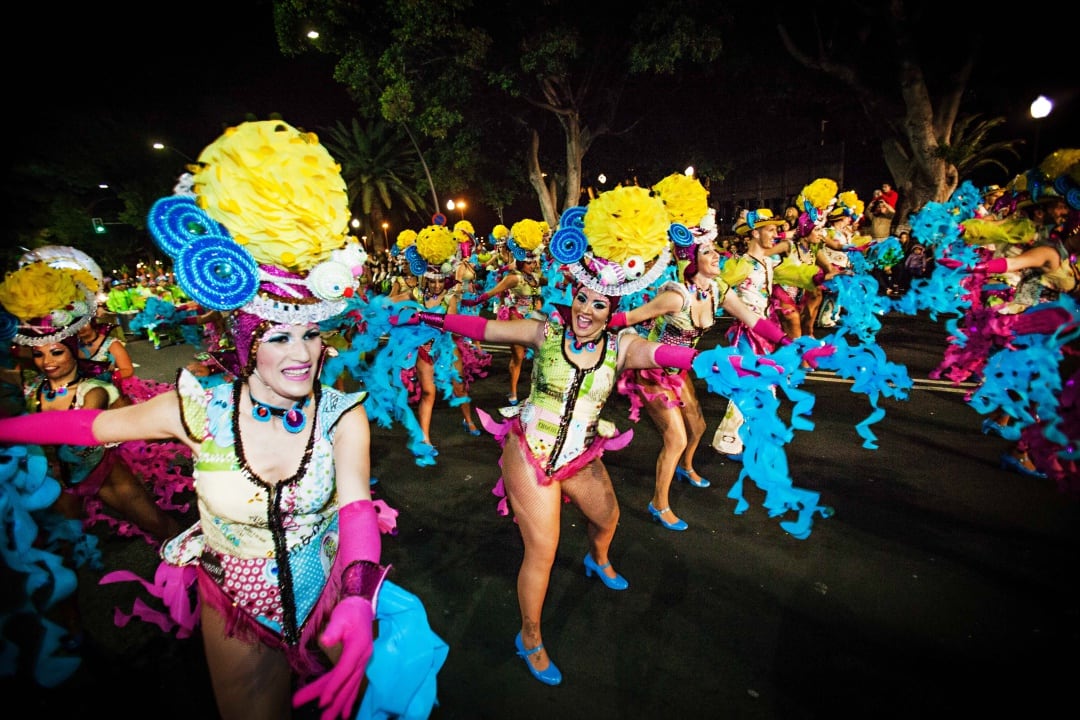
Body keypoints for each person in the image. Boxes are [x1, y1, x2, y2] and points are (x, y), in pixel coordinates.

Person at [0, 120, 444, 720]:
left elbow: (357, 508)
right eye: (279, 336)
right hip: (234, 612)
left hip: (329, 595)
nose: (302, 354)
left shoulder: (342, 415)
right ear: (242, 340)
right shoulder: (198, 409)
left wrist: (359, 601)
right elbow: (84, 430)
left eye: (313, 334)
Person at [395, 186, 718, 686]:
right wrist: (430, 316)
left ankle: (598, 558)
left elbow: (673, 357)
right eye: (582, 299)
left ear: (615, 311)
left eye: (599, 305)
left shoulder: (624, 345)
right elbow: (484, 329)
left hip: (583, 455)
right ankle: (530, 637)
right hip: (529, 451)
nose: (586, 311)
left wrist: (735, 364)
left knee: (608, 520)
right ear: (573, 296)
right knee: (541, 552)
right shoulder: (544, 330)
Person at [615, 188, 795, 531]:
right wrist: (596, 326)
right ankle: (659, 503)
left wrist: (788, 342)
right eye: (710, 252)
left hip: (680, 369)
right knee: (676, 438)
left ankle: (686, 467)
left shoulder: (717, 291)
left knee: (697, 426)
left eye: (716, 250)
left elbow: (755, 320)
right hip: (652, 372)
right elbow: (631, 318)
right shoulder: (675, 297)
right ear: (692, 260)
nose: (718, 256)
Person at [461, 218, 546, 406]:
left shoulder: (536, 277)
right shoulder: (513, 278)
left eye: (535, 262)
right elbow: (492, 292)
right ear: (522, 262)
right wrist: (471, 301)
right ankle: (513, 392)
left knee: (542, 358)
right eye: (530, 262)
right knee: (518, 357)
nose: (534, 265)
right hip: (518, 321)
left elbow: (555, 284)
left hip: (537, 321)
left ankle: (537, 393)